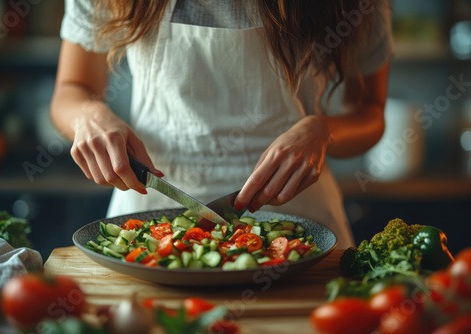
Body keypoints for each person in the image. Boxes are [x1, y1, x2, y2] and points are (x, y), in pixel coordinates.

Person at [51, 0, 394, 248]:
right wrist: (89, 116)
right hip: (151, 217)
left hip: (301, 220)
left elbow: (369, 110)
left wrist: (324, 131)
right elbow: (72, 90)